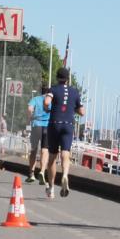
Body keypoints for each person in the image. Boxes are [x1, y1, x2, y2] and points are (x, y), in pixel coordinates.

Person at [43, 67, 85, 200]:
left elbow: (46, 102)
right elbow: (82, 112)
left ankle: (51, 189)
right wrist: (72, 109)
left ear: (57, 77)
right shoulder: (75, 92)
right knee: (65, 153)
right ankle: (65, 174)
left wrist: (47, 108)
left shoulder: (53, 89)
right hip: (68, 124)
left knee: (52, 158)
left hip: (54, 123)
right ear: (68, 79)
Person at [26, 83, 51, 185]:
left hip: (36, 125)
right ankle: (42, 172)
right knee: (45, 150)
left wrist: (30, 118)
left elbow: (29, 109)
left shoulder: (35, 99)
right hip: (47, 126)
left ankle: (31, 174)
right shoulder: (50, 100)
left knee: (33, 150)